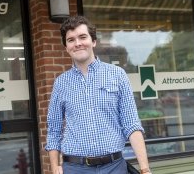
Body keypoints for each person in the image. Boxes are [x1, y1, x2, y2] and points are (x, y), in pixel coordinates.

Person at [45, 15, 151, 174]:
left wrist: (145, 169)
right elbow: (54, 129)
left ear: (93, 41)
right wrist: (54, 167)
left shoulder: (117, 75)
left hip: (114, 167)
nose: (78, 43)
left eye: (82, 37)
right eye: (71, 40)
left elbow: (132, 124)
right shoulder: (61, 83)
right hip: (75, 168)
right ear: (66, 47)